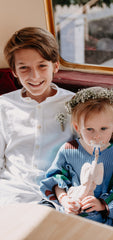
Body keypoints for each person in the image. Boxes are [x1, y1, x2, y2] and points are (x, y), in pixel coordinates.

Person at [40, 86, 113, 226]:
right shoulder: (68, 150)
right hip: (67, 212)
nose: (97, 135)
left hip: (98, 219)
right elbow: (55, 179)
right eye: (89, 129)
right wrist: (64, 199)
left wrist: (101, 204)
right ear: (78, 128)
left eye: (103, 129)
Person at [0, 27, 74, 205]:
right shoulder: (3, 105)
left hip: (61, 195)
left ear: (55, 66)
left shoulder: (75, 104)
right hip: (12, 193)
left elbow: (93, 151)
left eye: (42, 66)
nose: (35, 76)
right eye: (24, 68)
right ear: (14, 72)